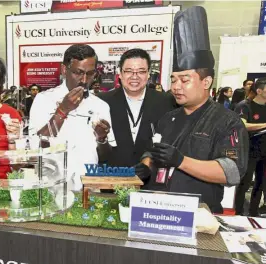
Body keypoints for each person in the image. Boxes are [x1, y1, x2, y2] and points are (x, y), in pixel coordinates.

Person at [141, 6, 249, 214]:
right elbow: (153, 151)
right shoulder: (168, 118)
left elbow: (232, 171)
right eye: (173, 80)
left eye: (184, 80)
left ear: (206, 81)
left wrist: (181, 161)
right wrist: (146, 166)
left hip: (200, 215)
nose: (176, 86)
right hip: (157, 210)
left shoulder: (227, 121)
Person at [29, 44, 115, 190]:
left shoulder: (101, 106)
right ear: (64, 70)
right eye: (78, 72)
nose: (84, 79)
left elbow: (106, 155)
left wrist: (102, 138)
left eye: (90, 74)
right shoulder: (43, 100)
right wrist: (62, 111)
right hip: (52, 185)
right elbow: (36, 147)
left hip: (89, 186)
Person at [98, 48, 175, 182]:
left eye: (141, 71)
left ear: (148, 74)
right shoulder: (102, 101)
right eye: (128, 71)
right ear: (120, 74)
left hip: (151, 182)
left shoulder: (167, 102)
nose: (135, 76)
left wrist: (150, 166)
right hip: (112, 180)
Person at [234, 78, 266, 217]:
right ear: (259, 90)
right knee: (244, 183)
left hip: (265, 150)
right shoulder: (245, 105)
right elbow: (242, 125)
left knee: (261, 183)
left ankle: (254, 212)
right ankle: (239, 212)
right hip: (249, 150)